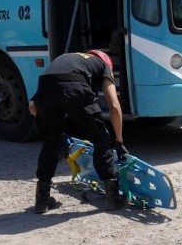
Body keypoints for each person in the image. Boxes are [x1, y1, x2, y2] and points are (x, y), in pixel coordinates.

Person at [28, 50, 129, 213]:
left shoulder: (66, 58)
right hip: (75, 86)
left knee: (51, 141)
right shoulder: (103, 65)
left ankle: (42, 201)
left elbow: (32, 107)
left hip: (45, 86)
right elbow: (114, 106)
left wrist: (55, 133)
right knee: (100, 139)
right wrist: (119, 141)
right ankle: (113, 199)